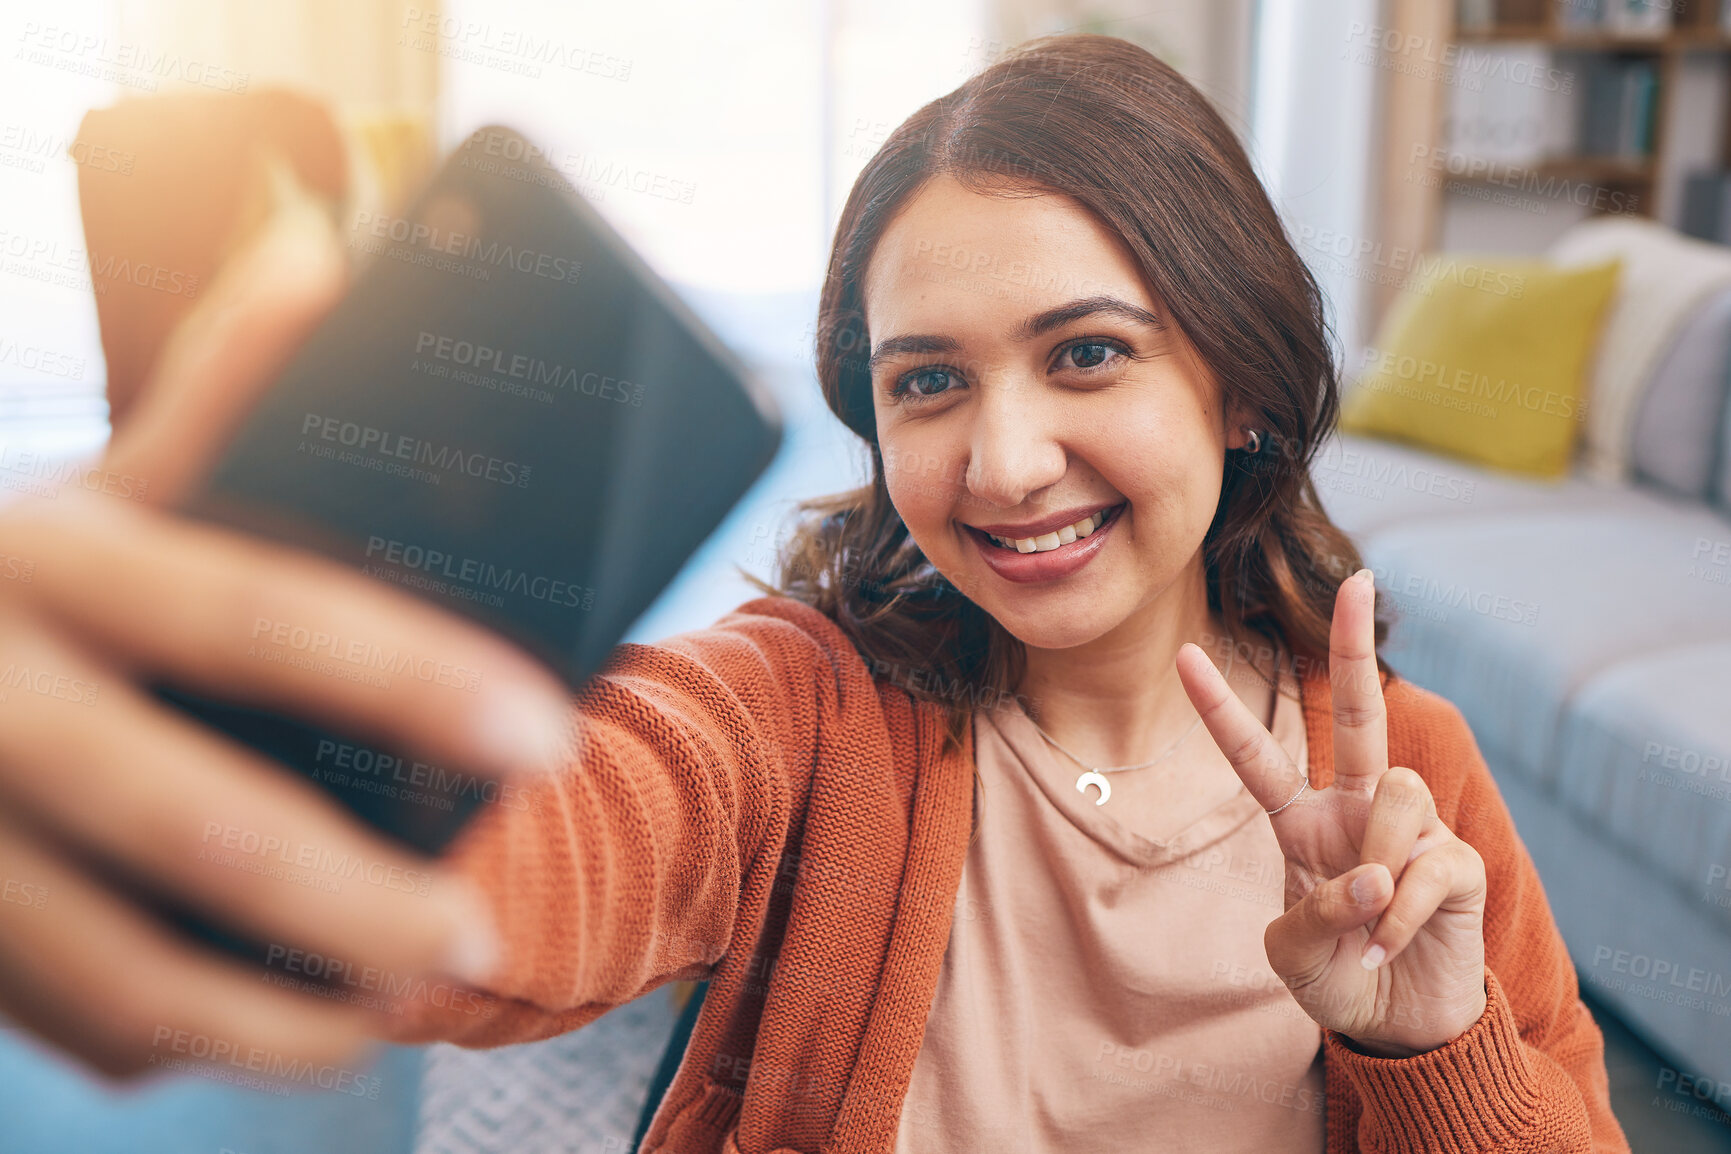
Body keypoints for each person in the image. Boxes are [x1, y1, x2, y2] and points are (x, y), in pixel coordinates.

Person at [0, 33, 1626, 1154]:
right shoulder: (804, 709)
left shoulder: (1410, 773)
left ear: (1240, 386)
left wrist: (1432, 1046)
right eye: (928, 382)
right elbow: (577, 824)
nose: (1000, 462)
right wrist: (260, 766)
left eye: (1086, 353)